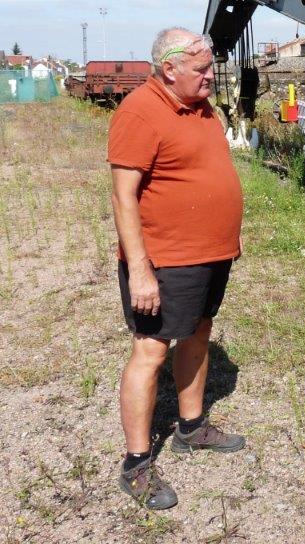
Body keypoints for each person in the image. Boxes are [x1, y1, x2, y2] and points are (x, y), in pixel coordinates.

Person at [108, 27, 246, 509]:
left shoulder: (204, 109)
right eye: (202, 70)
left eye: (210, 67)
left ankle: (190, 428)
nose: (211, 77)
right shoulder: (139, 112)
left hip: (209, 253)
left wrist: (227, 228)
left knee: (200, 331)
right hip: (166, 260)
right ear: (169, 69)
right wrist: (141, 269)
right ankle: (136, 463)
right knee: (151, 350)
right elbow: (124, 196)